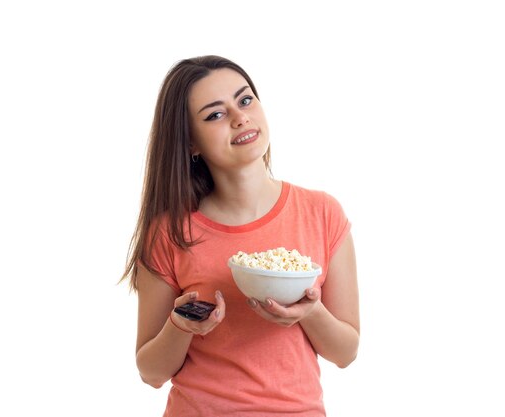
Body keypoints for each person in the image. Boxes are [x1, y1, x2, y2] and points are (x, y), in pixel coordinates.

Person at [121, 55, 360, 416]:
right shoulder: (170, 232)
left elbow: (346, 352)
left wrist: (309, 313)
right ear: (191, 144)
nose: (240, 117)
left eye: (245, 100)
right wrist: (181, 326)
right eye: (215, 114)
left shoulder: (322, 213)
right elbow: (150, 372)